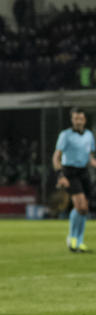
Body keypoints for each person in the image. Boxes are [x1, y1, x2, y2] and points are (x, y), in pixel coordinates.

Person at [53, 107, 96, 252]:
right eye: (76, 118)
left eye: (81, 118)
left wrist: (93, 162)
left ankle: (80, 241)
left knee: (85, 209)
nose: (78, 121)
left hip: (83, 172)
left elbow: (90, 156)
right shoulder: (65, 135)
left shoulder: (89, 135)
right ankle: (71, 238)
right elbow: (56, 157)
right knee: (80, 206)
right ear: (72, 119)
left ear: (85, 120)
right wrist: (61, 175)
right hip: (69, 172)